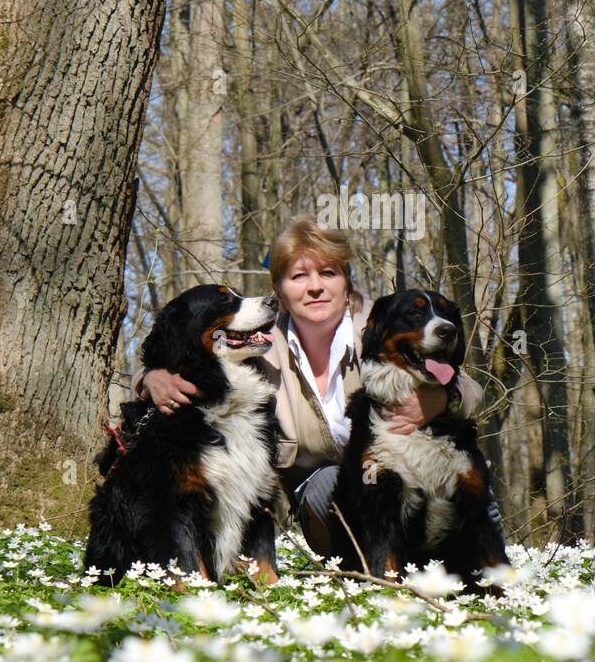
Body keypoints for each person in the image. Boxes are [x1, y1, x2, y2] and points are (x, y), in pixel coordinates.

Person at [134, 216, 484, 558]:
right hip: (332, 505)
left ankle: (481, 567)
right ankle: (366, 567)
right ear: (280, 292)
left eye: (328, 273)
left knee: (462, 463)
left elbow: (469, 389)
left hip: (415, 482)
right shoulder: (257, 346)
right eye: (298, 276)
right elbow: (190, 356)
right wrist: (149, 378)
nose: (315, 287)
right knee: (325, 481)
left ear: (346, 282)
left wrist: (443, 400)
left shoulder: (381, 329)